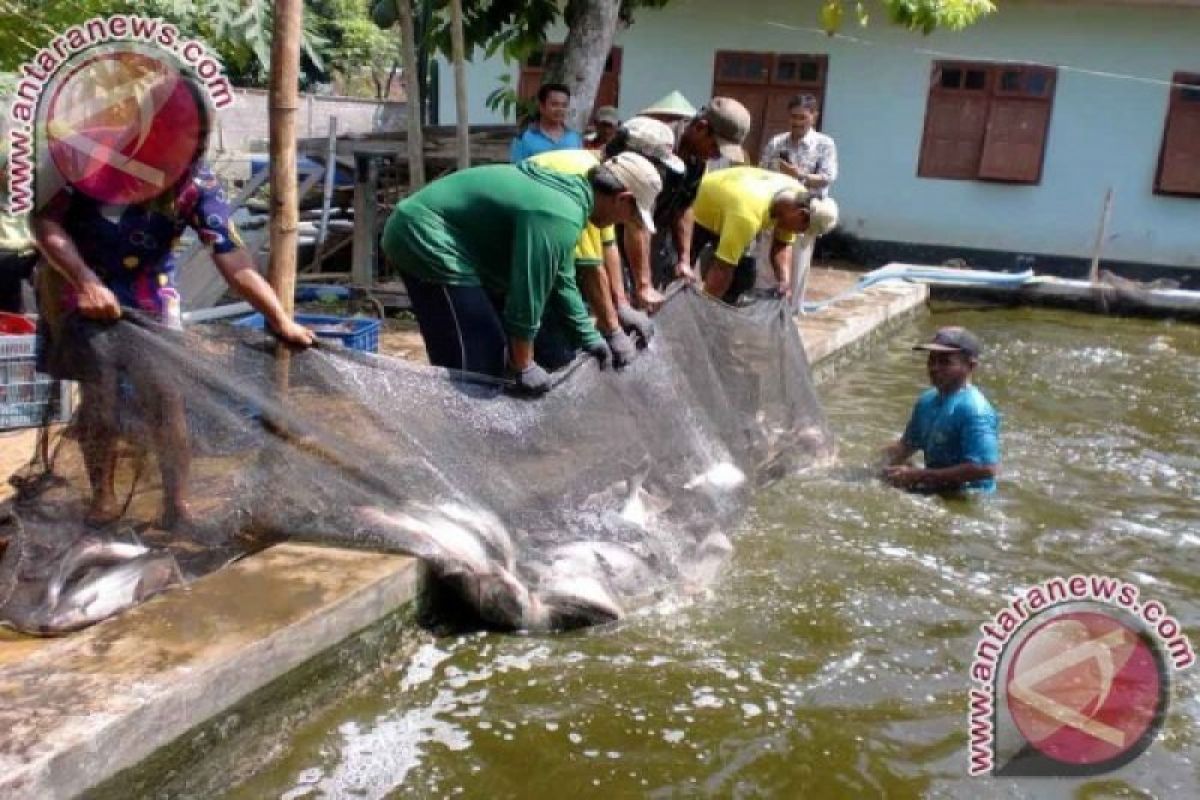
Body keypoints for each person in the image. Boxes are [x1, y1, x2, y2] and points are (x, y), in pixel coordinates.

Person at [33, 93, 314, 529]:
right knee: (100, 396)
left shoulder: (195, 185)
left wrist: (280, 318)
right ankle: (103, 500)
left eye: (197, 139)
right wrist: (85, 281)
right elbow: (45, 223)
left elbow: (231, 256)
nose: (190, 148)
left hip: (150, 293)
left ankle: (176, 506)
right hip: (79, 284)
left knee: (166, 397)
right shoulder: (87, 157)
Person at [381, 152, 662, 395]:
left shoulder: (572, 200)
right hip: (423, 236)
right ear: (622, 199)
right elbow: (528, 294)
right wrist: (524, 363)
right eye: (631, 216)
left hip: (448, 240)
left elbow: (561, 279)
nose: (625, 223)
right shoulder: (560, 214)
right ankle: (467, 446)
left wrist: (588, 336)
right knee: (479, 361)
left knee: (490, 356)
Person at [532, 117, 683, 359]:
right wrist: (613, 329)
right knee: (556, 346)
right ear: (632, 154)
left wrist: (621, 304)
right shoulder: (586, 176)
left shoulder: (605, 180)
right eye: (654, 164)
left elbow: (607, 245)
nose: (656, 172)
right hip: (488, 260)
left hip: (538, 260)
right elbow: (590, 267)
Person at [615, 97, 752, 310]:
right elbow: (636, 219)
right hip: (618, 230)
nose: (716, 156)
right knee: (622, 302)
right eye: (716, 148)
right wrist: (643, 284)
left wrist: (684, 259)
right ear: (700, 127)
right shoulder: (654, 145)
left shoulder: (697, 159)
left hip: (653, 232)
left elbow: (685, 207)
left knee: (653, 301)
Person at [687, 166, 838, 303]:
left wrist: (784, 281)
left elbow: (782, 244)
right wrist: (705, 314)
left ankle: (720, 307)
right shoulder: (748, 216)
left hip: (731, 207)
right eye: (801, 230)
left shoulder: (796, 198)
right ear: (801, 214)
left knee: (744, 274)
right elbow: (723, 268)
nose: (797, 234)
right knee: (682, 268)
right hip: (698, 207)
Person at [883, 327, 1000, 493]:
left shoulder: (975, 410)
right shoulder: (927, 401)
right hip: (934, 487)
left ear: (970, 366)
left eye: (945, 362)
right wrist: (869, 466)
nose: (934, 368)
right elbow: (905, 447)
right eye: (932, 360)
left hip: (968, 499)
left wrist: (918, 476)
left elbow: (986, 468)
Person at [759, 94, 838, 198]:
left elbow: (827, 178)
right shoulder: (776, 142)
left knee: (827, 214)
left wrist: (799, 175)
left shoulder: (825, 144)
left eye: (802, 118)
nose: (797, 122)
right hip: (778, 200)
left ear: (814, 118)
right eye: (794, 117)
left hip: (811, 201)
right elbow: (762, 172)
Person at [509, 83, 584, 162]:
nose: (560, 109)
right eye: (554, 104)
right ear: (541, 106)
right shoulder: (523, 137)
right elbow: (516, 170)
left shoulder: (574, 137)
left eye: (564, 105)